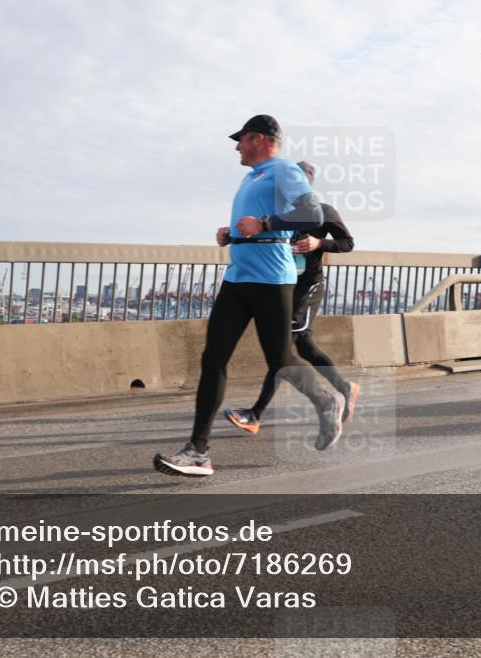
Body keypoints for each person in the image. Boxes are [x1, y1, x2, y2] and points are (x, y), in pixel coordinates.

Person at [154, 115, 346, 477]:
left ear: (259, 138)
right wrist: (232, 234)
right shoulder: (251, 177)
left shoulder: (284, 170)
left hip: (271, 279)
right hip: (237, 277)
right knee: (213, 359)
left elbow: (310, 213)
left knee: (281, 359)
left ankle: (327, 401)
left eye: (240, 140)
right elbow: (253, 221)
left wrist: (266, 224)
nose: (237, 147)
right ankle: (198, 451)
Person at [224, 160, 359, 434]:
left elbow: (348, 243)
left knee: (283, 348)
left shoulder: (323, 212)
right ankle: (345, 387)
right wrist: (232, 236)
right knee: (304, 345)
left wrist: (319, 243)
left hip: (308, 285)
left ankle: (256, 414)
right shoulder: (274, 215)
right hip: (283, 284)